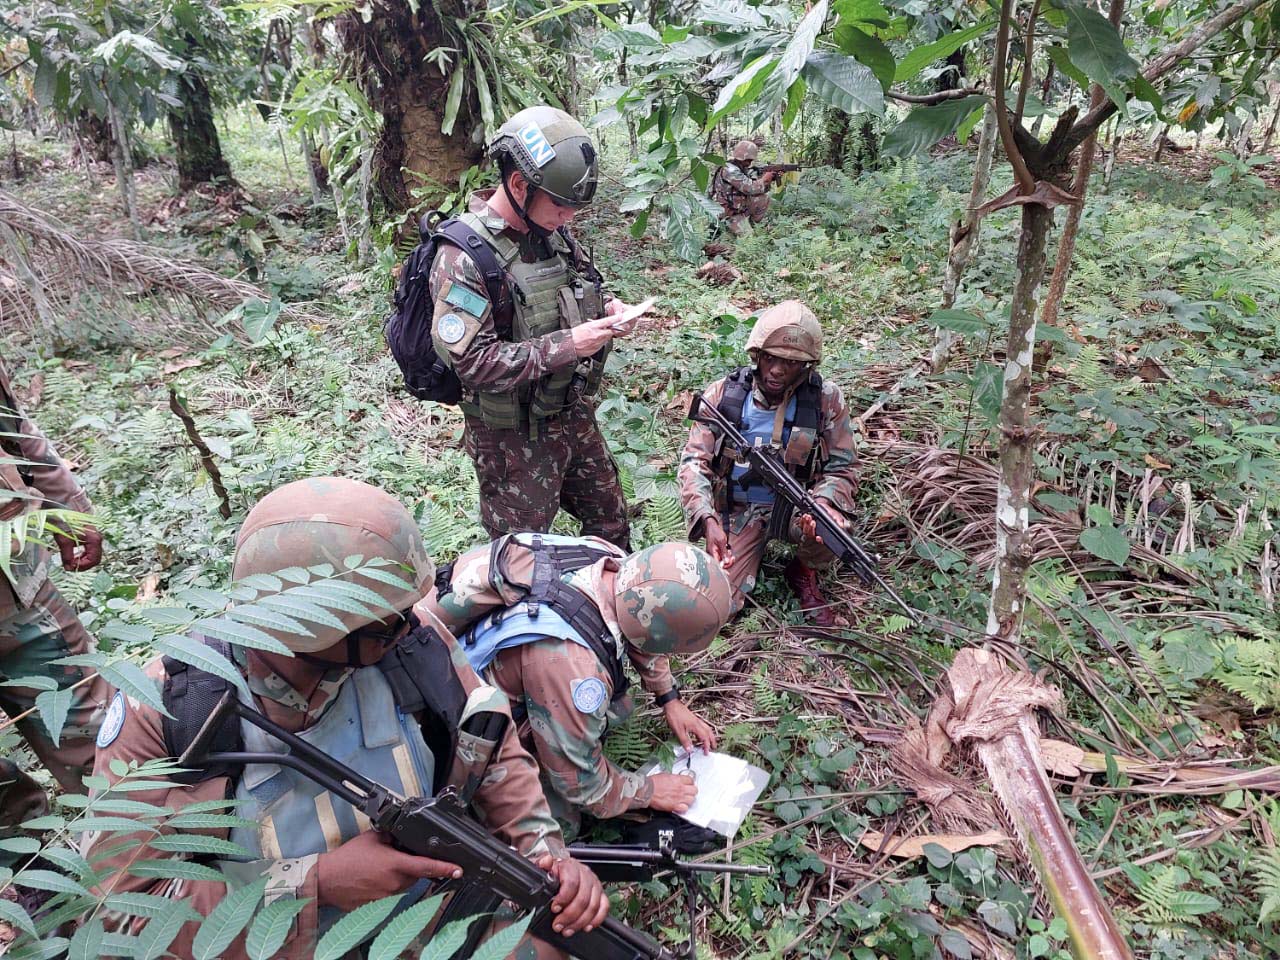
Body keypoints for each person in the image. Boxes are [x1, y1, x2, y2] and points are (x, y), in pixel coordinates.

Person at [84, 477, 608, 959]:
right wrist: (316, 884)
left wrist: (545, 851)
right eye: (387, 624)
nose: (413, 626)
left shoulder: (405, 642)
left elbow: (490, 747)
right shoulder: (168, 708)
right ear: (309, 633)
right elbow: (122, 912)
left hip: (423, 908)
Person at [428, 105, 648, 550]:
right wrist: (569, 344)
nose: (569, 219)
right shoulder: (465, 258)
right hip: (512, 441)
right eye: (562, 207)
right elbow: (473, 362)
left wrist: (607, 309)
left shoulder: (549, 233)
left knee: (611, 531)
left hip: (570, 415)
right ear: (519, 185)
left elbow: (577, 286)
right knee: (520, 560)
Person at [422, 533, 733, 842]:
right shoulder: (574, 667)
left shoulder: (610, 560)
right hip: (457, 716)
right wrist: (648, 791)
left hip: (487, 649)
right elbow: (580, 784)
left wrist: (670, 699)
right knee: (564, 824)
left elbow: (640, 620)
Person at [678, 301, 859, 627]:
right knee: (715, 607)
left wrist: (825, 502)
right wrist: (707, 518)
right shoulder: (725, 395)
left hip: (796, 505)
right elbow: (694, 462)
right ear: (756, 356)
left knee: (831, 530)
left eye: (790, 363)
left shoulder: (824, 399)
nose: (777, 370)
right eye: (770, 358)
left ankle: (804, 571)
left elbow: (843, 466)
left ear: (806, 367)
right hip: (736, 508)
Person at [0, 358, 108, 864]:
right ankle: (35, 895)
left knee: (104, 750)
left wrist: (69, 507)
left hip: (20, 601)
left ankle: (150, 880)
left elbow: (11, 423)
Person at [710, 140, 778, 236]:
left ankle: (751, 224)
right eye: (748, 160)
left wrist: (769, 180)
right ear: (743, 158)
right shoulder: (730, 170)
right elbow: (750, 188)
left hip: (738, 208)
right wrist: (765, 179)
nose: (749, 163)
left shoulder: (740, 168)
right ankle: (726, 226)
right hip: (727, 212)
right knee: (749, 239)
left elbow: (758, 190)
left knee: (763, 198)